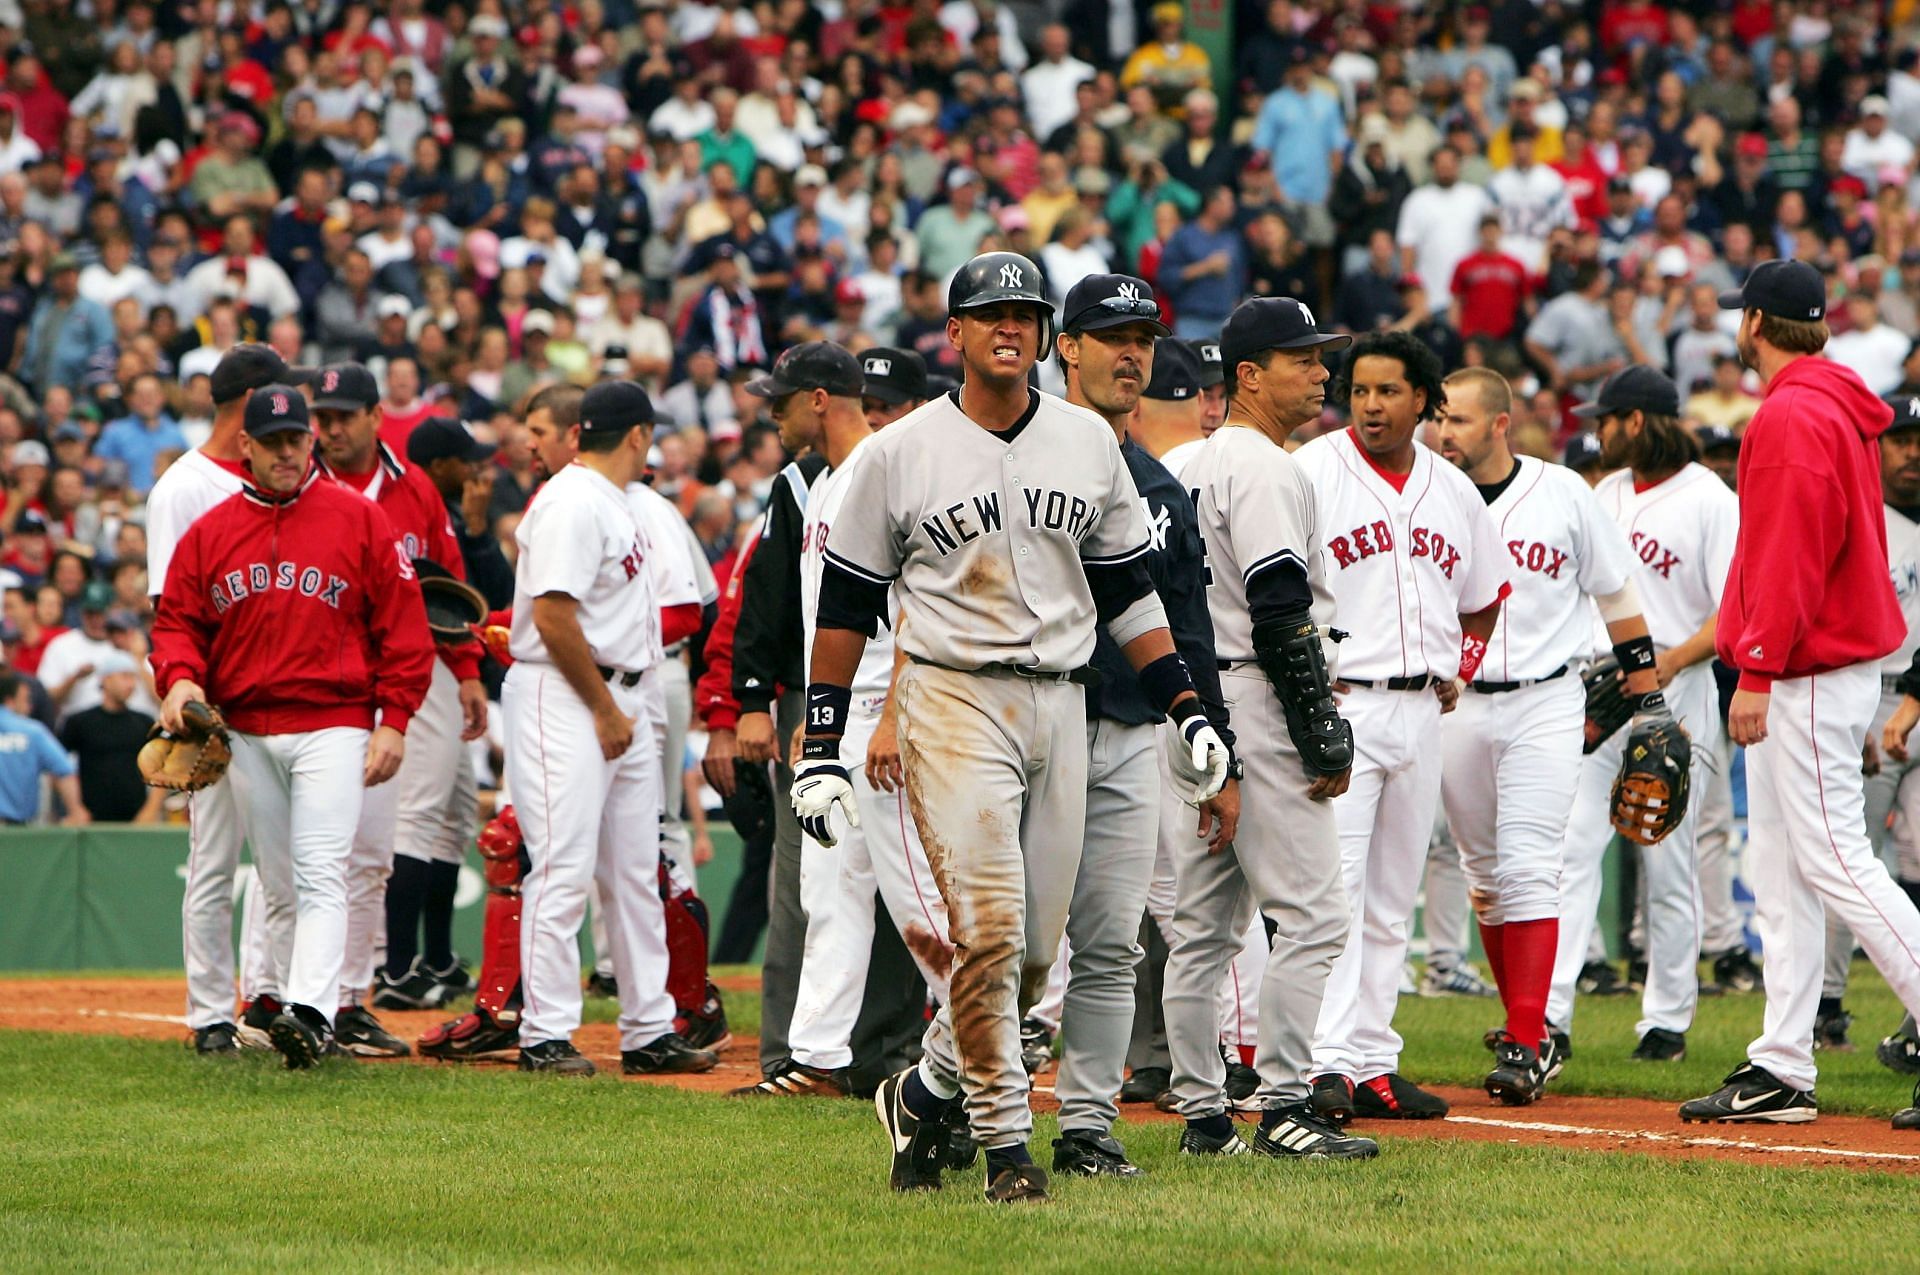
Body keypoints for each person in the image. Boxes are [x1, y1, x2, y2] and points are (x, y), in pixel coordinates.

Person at [807, 251, 1225, 1203]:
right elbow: (845, 604)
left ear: (1044, 333)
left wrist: (1186, 706)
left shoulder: (1086, 444)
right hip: (952, 696)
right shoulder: (898, 451)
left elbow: (1128, 590)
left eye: (1026, 312)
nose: (1011, 325)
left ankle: (923, 1089)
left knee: (1036, 952)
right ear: (953, 333)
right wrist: (820, 743)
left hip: (1061, 697)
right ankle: (1006, 1151)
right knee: (989, 932)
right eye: (990, 311)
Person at [1687, 261, 1920, 1127]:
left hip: (1809, 668)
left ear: (1755, 323)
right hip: (1823, 663)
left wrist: (1755, 667)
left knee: (1834, 861)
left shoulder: (1791, 411)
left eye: (1739, 318)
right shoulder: (1836, 397)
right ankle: (1782, 1065)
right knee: (1780, 868)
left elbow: (1787, 554)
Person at [150, 384, 435, 1070]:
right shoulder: (210, 531)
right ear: (244, 444)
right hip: (243, 729)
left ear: (310, 441)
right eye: (272, 440)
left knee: (320, 868)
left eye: (296, 438)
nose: (286, 451)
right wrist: (180, 676)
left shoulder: (359, 519)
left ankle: (311, 1011)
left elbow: (402, 627)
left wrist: (393, 719)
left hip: (332, 721)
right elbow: (178, 621)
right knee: (279, 881)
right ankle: (279, 1003)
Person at [1159, 294, 1374, 1159]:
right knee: (1315, 915)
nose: (1323, 371)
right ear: (1248, 374)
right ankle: (1286, 1103)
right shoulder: (1266, 469)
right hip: (1256, 693)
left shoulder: (1185, 464)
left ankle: (1204, 1116)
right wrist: (1316, 723)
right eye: (1302, 358)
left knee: (1204, 925)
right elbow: (1280, 605)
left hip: (1192, 703)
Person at [1038, 278, 1234, 1176]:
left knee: (1111, 942)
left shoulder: (1158, 483)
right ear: (1065, 348)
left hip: (1125, 729)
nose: (1133, 353)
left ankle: (1085, 1126)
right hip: (1027, 722)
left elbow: (1190, 629)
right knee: (1018, 942)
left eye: (1144, 337)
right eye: (1111, 335)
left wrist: (1214, 748)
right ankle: (949, 1096)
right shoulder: (1018, 453)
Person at [726, 342, 951, 1100]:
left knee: (919, 893)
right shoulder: (820, 485)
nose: (773, 413)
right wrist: (819, 719)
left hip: (895, 708)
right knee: (832, 887)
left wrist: (890, 712)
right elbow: (830, 621)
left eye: (782, 400)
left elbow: (916, 609)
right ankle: (817, 1057)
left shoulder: (886, 467)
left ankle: (982, 1039)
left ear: (821, 398)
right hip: (843, 714)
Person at [1294, 328, 1508, 1125]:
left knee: (1393, 897)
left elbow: (1486, 595)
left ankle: (1374, 1061)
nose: (1372, 404)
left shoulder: (1452, 488)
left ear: (1423, 398)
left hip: (1423, 708)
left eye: (1388, 390)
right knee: (1336, 893)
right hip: (1343, 702)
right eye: (1359, 390)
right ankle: (1322, 1064)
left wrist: (1465, 661)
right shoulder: (1312, 472)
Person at [1433, 366, 1663, 1102]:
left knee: (1533, 862)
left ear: (1500, 423)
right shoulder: (1429, 495)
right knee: (1485, 879)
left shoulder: (1564, 491)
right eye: (1439, 420)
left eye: (1459, 420)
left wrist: (1647, 694)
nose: (1444, 434)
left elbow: (1617, 595)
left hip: (1547, 698)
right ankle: (1521, 1025)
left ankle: (1531, 1040)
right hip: (1456, 705)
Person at [504, 380, 716, 1079]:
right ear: (639, 435)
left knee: (632, 870)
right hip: (568, 695)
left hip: (618, 695)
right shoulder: (572, 500)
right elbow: (556, 617)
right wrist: (603, 708)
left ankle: (648, 1028)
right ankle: (545, 1032)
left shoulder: (611, 502)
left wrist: (626, 707)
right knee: (563, 862)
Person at [1547, 366, 1734, 1066]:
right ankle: (1552, 1013)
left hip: (1675, 690)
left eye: (1605, 419)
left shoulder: (1709, 499)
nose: (1595, 430)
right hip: (1599, 683)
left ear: (1635, 421)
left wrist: (1670, 664)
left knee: (1666, 855)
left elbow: (1731, 613)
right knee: (1571, 846)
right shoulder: (1606, 492)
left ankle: (1666, 1019)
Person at [303, 361, 487, 1053]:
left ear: (378, 417)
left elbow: (450, 589)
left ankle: (397, 968)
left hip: (420, 666)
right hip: (329, 674)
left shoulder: (416, 493)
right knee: (350, 838)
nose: (332, 427)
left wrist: (467, 670)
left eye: (346, 413)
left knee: (422, 820)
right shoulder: (303, 487)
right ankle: (386, 967)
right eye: (324, 415)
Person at [146, 344, 313, 1055]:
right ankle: (210, 1013)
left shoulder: (280, 479)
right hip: (211, 704)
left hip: (282, 698)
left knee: (288, 866)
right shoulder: (182, 488)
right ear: (247, 403)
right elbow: (169, 606)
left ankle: (270, 998)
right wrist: (186, 697)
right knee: (214, 859)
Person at [1822, 396, 1920, 1058]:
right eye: (1901, 438)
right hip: (1869, 697)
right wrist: (1849, 709)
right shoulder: (1857, 518)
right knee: (1845, 854)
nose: (1913, 450)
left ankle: (1915, 1022)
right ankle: (1826, 1005)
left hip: (1910, 696)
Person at [59, 650, 161, 823]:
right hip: (91, 819)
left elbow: (161, 767)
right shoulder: (80, 722)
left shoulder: (144, 722)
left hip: (136, 819)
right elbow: (57, 765)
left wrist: (151, 810)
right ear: (105, 679)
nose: (130, 684)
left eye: (133, 678)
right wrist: (75, 808)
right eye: (124, 676)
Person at [0, 670, 84, 825]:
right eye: (26, 700)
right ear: (10, 701)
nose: (30, 707)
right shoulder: (32, 731)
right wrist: (76, 812)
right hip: (16, 832)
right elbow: (64, 770)